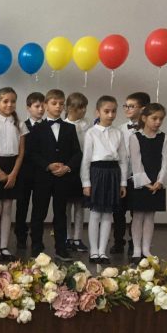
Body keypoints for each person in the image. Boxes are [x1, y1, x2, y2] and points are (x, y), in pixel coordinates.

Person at [28, 88, 81, 261]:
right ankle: (36, 247)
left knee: (60, 214)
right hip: (43, 178)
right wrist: (48, 165)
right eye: (54, 103)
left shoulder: (70, 128)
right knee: (39, 212)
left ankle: (61, 248)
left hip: (62, 178)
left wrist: (67, 167)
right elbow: (32, 153)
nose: (58, 107)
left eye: (61, 104)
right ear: (45, 105)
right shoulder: (37, 128)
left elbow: (77, 153)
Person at [81, 96, 128, 264]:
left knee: (108, 214)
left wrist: (123, 183)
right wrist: (86, 183)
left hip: (113, 173)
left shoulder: (118, 133)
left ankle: (102, 251)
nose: (110, 115)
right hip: (97, 173)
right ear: (98, 112)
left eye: (113, 111)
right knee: (95, 213)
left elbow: (123, 160)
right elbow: (86, 160)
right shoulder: (91, 133)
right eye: (106, 111)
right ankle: (94, 251)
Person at [0, 87, 24, 261]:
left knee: (8, 207)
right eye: (5, 101)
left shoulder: (20, 125)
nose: (9, 104)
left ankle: (4, 245)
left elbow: (21, 152)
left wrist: (14, 173)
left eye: (13, 101)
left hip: (13, 166)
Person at [128, 103, 167, 263]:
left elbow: (166, 162)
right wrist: (146, 183)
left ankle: (146, 249)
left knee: (150, 216)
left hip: (157, 181)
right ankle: (136, 250)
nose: (158, 122)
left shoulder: (164, 138)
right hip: (140, 182)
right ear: (144, 118)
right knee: (138, 215)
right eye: (154, 118)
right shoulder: (135, 137)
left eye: (161, 119)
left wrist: (159, 181)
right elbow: (136, 162)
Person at [112, 91, 150, 255]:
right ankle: (118, 242)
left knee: (138, 212)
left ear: (143, 109)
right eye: (125, 106)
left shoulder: (149, 130)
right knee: (118, 211)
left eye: (131, 106)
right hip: (122, 176)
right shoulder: (119, 129)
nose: (127, 109)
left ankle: (135, 243)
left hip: (139, 177)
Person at [14, 91, 44, 250]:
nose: (41, 109)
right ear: (28, 108)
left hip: (42, 172)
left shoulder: (47, 126)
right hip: (24, 171)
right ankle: (20, 235)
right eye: (37, 106)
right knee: (22, 205)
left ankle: (37, 238)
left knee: (39, 207)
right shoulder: (21, 125)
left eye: (42, 106)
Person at [64, 92, 91, 253]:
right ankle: (67, 237)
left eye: (84, 107)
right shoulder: (64, 124)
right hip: (68, 168)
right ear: (70, 108)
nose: (83, 110)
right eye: (80, 107)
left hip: (83, 167)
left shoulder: (88, 125)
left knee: (80, 206)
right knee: (66, 206)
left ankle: (77, 238)